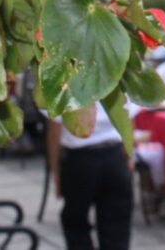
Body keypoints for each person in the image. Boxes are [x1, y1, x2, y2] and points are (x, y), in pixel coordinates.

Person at [46, 102, 135, 250]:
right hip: (114, 155)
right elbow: (128, 120)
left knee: (76, 222)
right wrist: (129, 155)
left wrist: (56, 172)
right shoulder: (115, 79)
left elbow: (54, 132)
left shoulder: (64, 82)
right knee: (115, 224)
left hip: (81, 159)